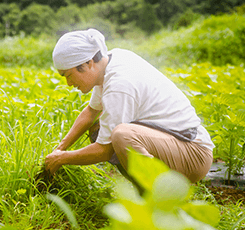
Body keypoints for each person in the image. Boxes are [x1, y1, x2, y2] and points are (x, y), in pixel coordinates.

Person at [45, 28, 214, 185]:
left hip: (194, 153)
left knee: (122, 136)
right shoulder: (109, 63)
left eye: (69, 75)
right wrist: (59, 149)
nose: (68, 83)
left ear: (88, 63)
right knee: (99, 130)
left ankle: (160, 201)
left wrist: (62, 158)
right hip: (174, 142)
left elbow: (104, 151)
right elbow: (91, 112)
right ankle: (147, 191)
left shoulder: (120, 85)